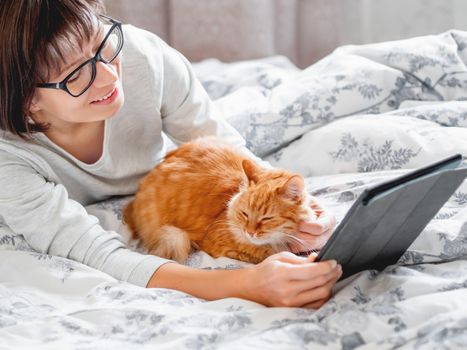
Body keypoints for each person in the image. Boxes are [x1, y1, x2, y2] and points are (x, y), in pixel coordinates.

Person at [0, 0, 341, 308]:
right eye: (76, 75)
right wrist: (244, 284)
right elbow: (97, 252)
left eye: (100, 43)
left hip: (172, 182)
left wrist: (304, 210)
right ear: (27, 100)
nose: (107, 75)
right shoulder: (9, 157)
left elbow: (222, 146)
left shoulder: (141, 55)